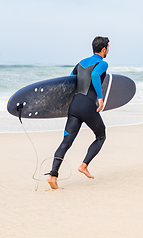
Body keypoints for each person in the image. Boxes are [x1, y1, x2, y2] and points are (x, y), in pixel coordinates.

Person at [47, 36, 110, 189]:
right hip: (88, 106)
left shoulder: (80, 63)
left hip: (74, 106)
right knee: (101, 136)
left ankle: (52, 175)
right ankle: (84, 165)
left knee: (66, 142)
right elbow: (95, 75)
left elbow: (70, 82)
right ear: (103, 49)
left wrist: (65, 106)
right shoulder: (102, 63)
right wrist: (100, 99)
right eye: (108, 47)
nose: (108, 50)